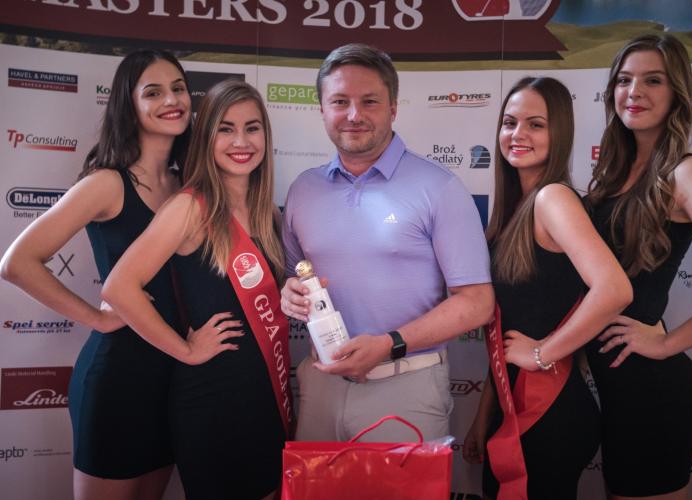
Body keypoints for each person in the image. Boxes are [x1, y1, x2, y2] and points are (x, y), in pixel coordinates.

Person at [0, 50, 191, 500]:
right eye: (153, 92)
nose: (171, 100)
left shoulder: (187, 185)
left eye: (179, 88)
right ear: (129, 105)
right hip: (118, 378)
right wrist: (98, 318)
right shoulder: (107, 183)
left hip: (173, 374)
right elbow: (16, 263)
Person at [280, 43, 494, 443]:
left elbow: (477, 302)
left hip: (406, 387)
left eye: (370, 101)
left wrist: (389, 344)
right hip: (320, 386)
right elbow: (296, 279)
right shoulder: (302, 189)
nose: (354, 115)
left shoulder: (439, 187)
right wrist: (289, 293)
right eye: (340, 101)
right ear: (322, 109)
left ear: (393, 108)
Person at [102, 79, 289, 500]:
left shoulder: (268, 213)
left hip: (264, 397)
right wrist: (186, 350)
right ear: (206, 138)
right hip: (211, 402)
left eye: (252, 128)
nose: (241, 141)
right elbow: (119, 288)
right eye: (226, 129)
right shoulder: (190, 207)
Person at [584, 33, 692, 500]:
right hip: (617, 391)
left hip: (654, 394)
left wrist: (669, 342)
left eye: (653, 80)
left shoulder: (686, 172)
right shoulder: (614, 170)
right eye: (624, 80)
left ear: (677, 93)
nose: (634, 92)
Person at [462, 77, 632, 500]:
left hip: (550, 411)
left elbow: (614, 290)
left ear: (559, 134)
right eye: (509, 123)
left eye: (535, 125)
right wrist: (484, 417)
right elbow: (505, 330)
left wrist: (541, 353)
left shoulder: (552, 198)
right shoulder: (512, 210)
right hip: (511, 406)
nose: (518, 134)